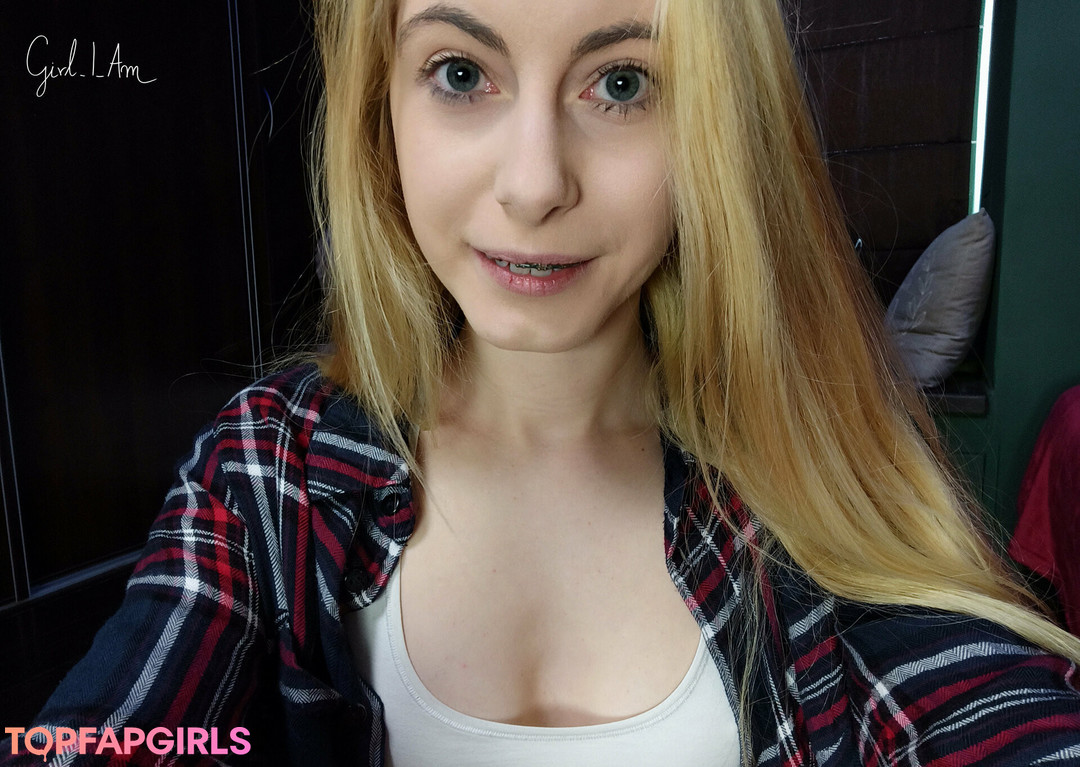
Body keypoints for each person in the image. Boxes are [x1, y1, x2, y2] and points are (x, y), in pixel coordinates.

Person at [5, 0, 1080, 764]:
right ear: (381, 108)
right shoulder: (270, 467)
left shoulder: (810, 478)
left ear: (717, 127)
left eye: (623, 83)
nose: (533, 185)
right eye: (459, 73)